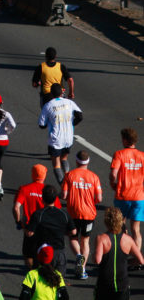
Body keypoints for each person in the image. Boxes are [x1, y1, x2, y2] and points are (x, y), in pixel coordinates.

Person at [61, 150, 103, 279]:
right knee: (85, 240)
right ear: (88, 161)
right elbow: (99, 199)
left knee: (73, 237)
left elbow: (64, 195)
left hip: (73, 212)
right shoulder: (94, 177)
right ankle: (82, 268)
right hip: (88, 214)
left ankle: (78, 256)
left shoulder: (69, 175)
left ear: (76, 161)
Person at [26, 184, 82, 276]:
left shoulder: (38, 214)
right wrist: (61, 232)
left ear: (42, 199)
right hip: (59, 252)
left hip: (43, 251)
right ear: (56, 199)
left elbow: (29, 233)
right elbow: (73, 232)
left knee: (42, 279)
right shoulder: (63, 213)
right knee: (59, 281)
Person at [14, 165, 62, 270]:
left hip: (30, 228)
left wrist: (18, 222)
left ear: (32, 174)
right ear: (44, 175)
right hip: (46, 228)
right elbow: (57, 210)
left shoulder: (24, 189)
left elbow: (16, 207)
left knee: (28, 254)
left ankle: (32, 272)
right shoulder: (50, 192)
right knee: (45, 253)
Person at [94, 207, 144, 300]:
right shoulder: (128, 239)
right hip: (122, 283)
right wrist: (127, 262)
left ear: (106, 221)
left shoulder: (101, 238)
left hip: (105, 283)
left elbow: (97, 260)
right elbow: (141, 260)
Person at [38, 83, 83, 184]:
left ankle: (64, 188)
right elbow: (80, 116)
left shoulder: (48, 105)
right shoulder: (69, 102)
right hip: (68, 137)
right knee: (64, 158)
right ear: (62, 92)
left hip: (56, 139)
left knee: (56, 164)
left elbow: (41, 124)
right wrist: (72, 123)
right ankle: (68, 178)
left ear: (51, 93)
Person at [110, 127, 144, 256]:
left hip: (123, 196)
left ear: (125, 140)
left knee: (121, 226)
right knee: (136, 229)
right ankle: (137, 257)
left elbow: (114, 174)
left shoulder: (119, 154)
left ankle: (123, 254)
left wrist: (113, 184)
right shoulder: (142, 156)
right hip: (138, 197)